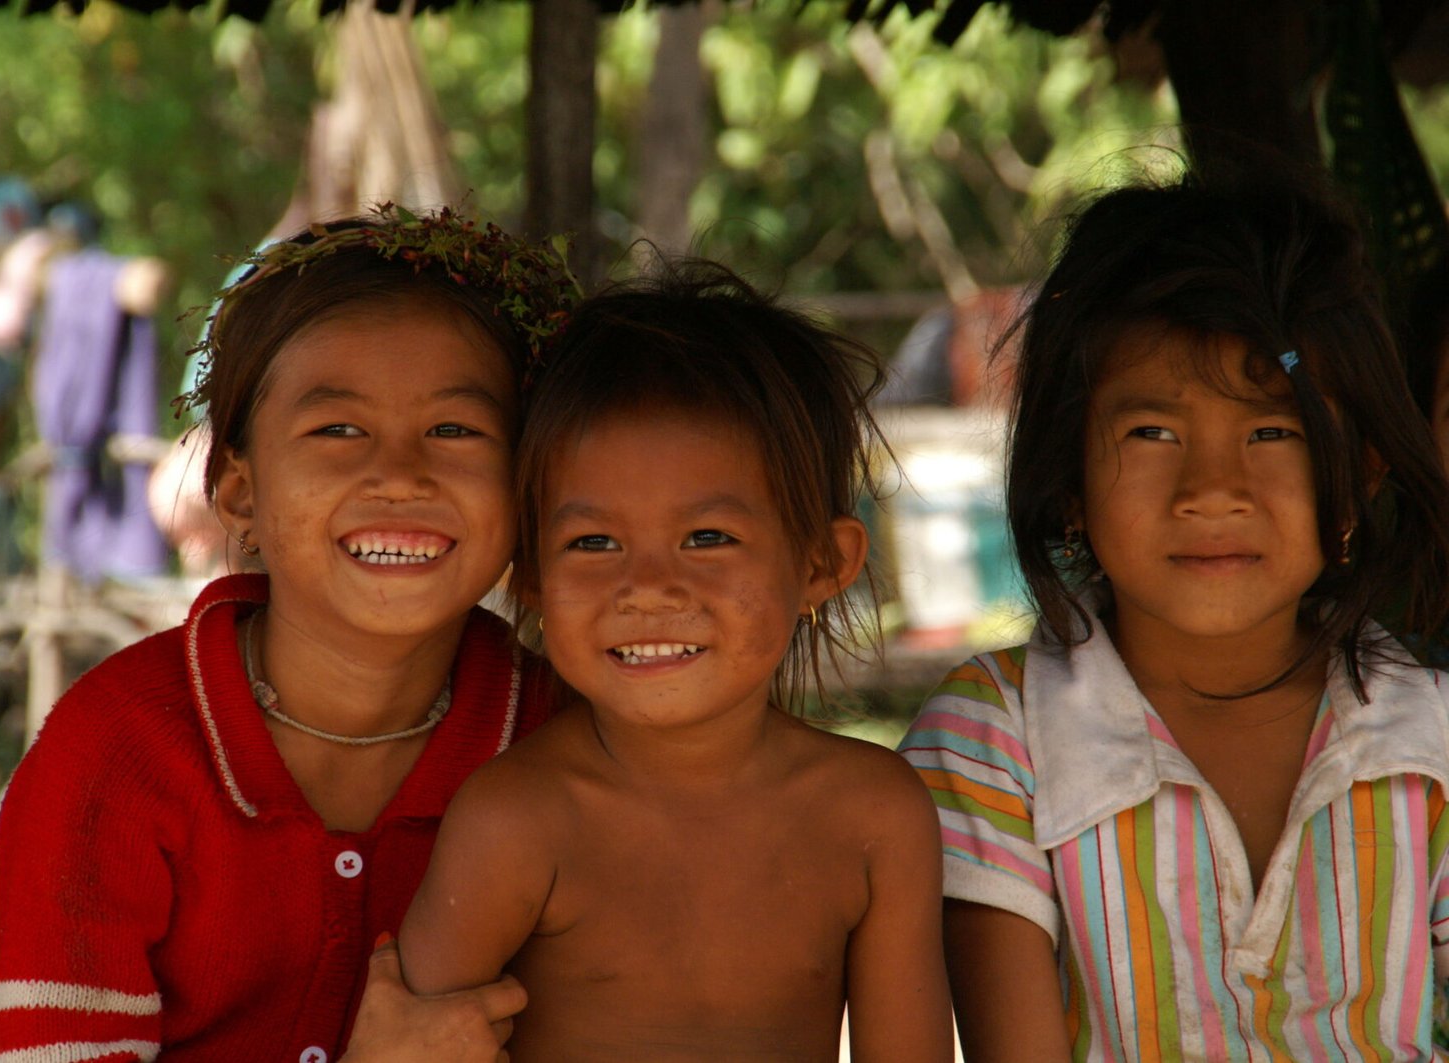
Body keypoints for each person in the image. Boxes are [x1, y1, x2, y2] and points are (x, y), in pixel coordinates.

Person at [0, 205, 579, 1063]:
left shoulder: (564, 737)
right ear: (238, 491)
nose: (399, 474)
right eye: (338, 429)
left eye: (455, 429)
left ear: (526, 482)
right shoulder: (116, 751)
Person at [900, 171, 1449, 1061]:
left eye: (1273, 432)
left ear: (1361, 475)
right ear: (1069, 478)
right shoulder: (998, 738)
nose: (1212, 490)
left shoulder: (1434, 743)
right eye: (1152, 433)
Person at [391, 261, 952, 1061]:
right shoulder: (516, 821)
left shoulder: (876, 815)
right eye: (594, 542)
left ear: (822, 563)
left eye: (707, 537)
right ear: (532, 579)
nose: (648, 586)